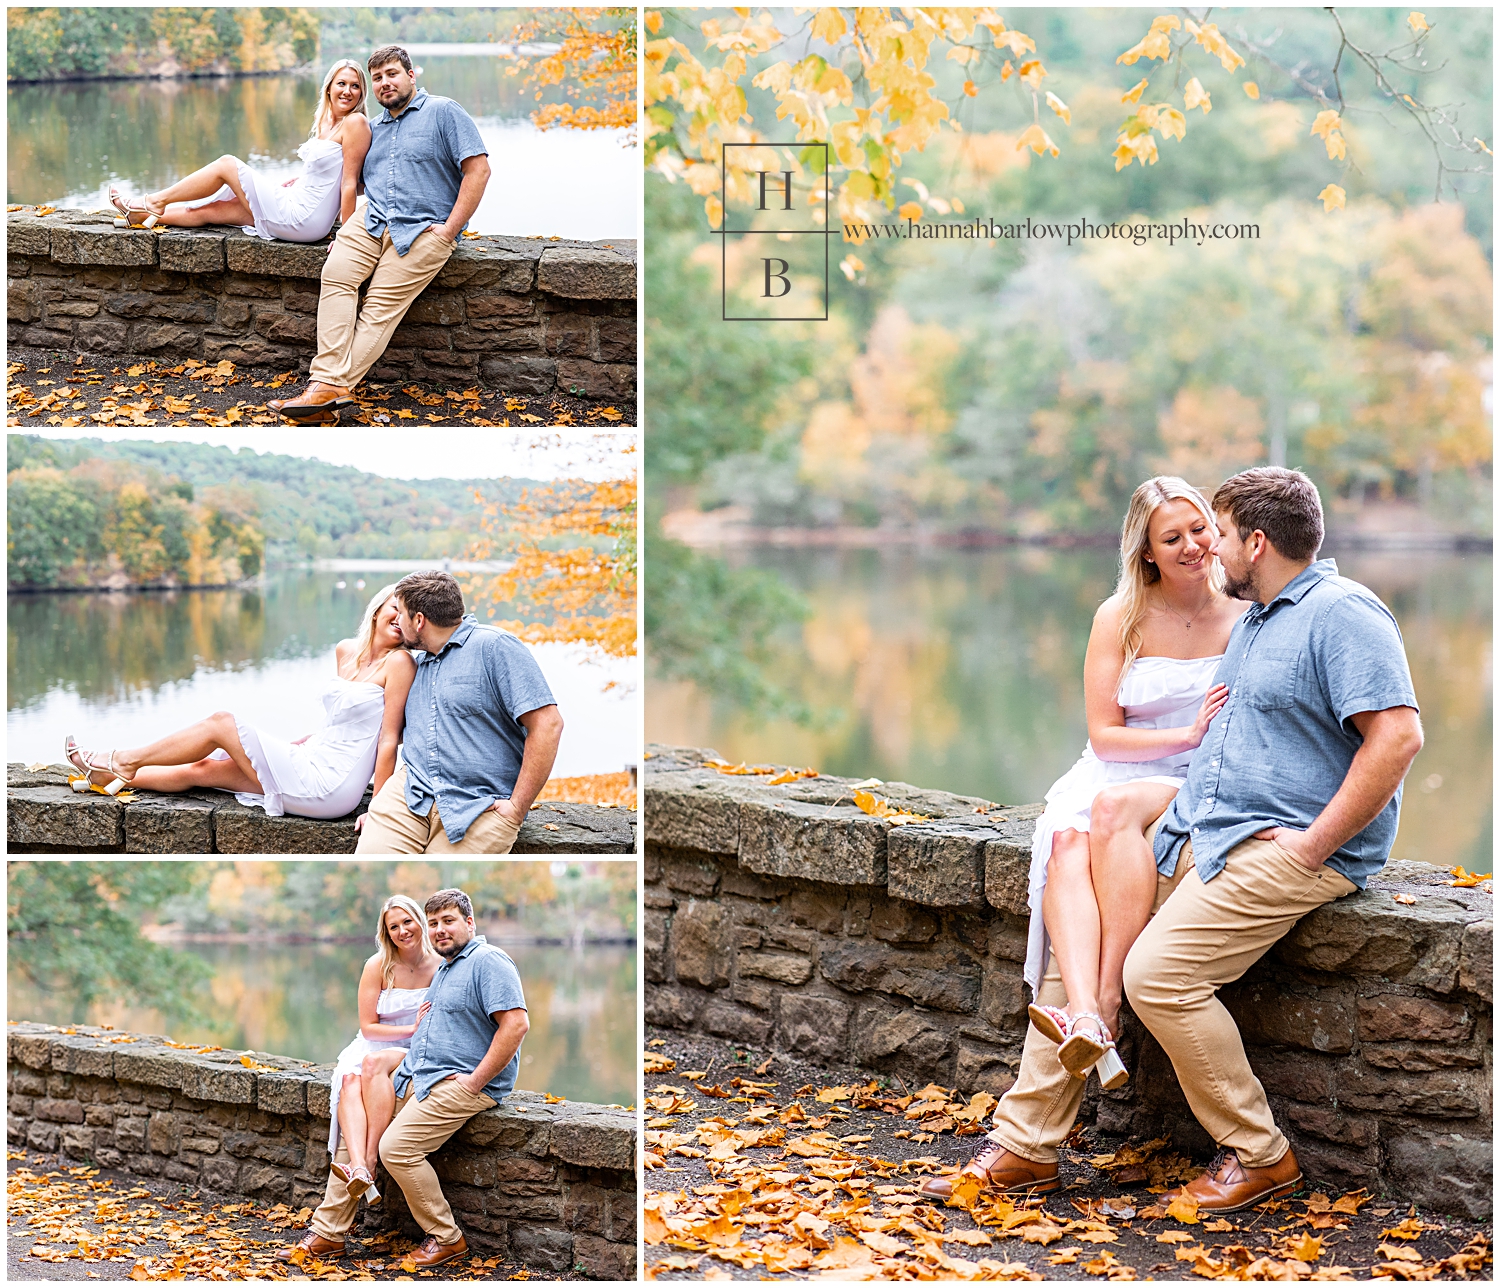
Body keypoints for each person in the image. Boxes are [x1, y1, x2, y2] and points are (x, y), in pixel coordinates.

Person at [921, 467, 1421, 1212]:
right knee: (1081, 919)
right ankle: (1027, 1147)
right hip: (1214, 826)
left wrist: (1315, 845)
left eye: (1216, 534)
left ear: (1254, 541)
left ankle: (1261, 1155)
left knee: (1158, 976)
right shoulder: (1259, 616)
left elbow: (1399, 738)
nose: (1209, 551)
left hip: (1287, 849)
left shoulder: (1342, 614)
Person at [1022, 478, 1246, 1089]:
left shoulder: (1245, 612)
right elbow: (1105, 737)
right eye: (1171, 538)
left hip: (1195, 776)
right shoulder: (1119, 615)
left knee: (1109, 814)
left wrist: (1198, 742)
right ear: (1146, 551)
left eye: (1200, 529)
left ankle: (1103, 1001)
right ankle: (1089, 1017)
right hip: (1123, 762)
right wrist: (1187, 731)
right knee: (1066, 842)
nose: (1192, 546)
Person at [279, 888, 529, 1269]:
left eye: (448, 921)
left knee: (395, 1148)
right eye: (434, 924)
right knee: (357, 1121)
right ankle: (328, 1234)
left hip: (461, 1082)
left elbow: (516, 1025)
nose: (440, 930)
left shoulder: (488, 961)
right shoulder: (447, 967)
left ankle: (448, 1239)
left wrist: (476, 1082)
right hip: (423, 1072)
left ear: (470, 923)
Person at [269, 46, 491, 424]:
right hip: (371, 220)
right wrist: (305, 181)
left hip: (424, 229)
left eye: (392, 74)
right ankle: (328, 391)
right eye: (378, 78)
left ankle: (325, 389)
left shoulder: (443, 111)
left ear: (410, 76)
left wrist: (450, 230)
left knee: (377, 310)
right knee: (335, 277)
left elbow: (478, 171)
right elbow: (359, 182)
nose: (385, 83)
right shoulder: (376, 128)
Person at [64, 583, 414, 821]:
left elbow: (387, 739)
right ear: (377, 608)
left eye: (409, 615)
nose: (399, 619)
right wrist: (304, 743)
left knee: (222, 723)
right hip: (311, 755)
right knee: (204, 770)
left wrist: (378, 810)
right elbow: (340, 719)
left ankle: (123, 760)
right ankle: (110, 776)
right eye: (395, 608)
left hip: (332, 785)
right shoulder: (346, 651)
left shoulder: (399, 663)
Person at [355, 571, 563, 855]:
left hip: (480, 805)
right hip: (409, 793)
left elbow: (548, 725)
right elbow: (387, 731)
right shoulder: (416, 661)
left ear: (419, 620)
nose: (398, 622)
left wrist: (516, 808)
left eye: (401, 613)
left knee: (444, 879)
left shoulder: (494, 647)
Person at [109, 59, 371, 243]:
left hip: (303, 217)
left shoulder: (355, 123)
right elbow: (332, 175)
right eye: (341, 83)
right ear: (329, 87)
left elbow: (349, 184)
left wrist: (344, 237)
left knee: (226, 164)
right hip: (299, 204)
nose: (347, 91)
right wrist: (302, 182)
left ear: (361, 93)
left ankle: (155, 201)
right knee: (213, 210)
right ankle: (138, 216)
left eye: (355, 86)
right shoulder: (327, 121)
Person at [325, 895, 438, 1204]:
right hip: (376, 1041)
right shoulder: (378, 965)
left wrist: (416, 1034)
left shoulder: (441, 965)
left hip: (415, 1048)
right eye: (393, 927)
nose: (402, 931)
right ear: (386, 933)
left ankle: (369, 1160)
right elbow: (367, 1027)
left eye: (407, 922)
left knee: (372, 1068)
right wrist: (410, 1027)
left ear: (420, 921)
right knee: (349, 1080)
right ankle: (359, 1167)